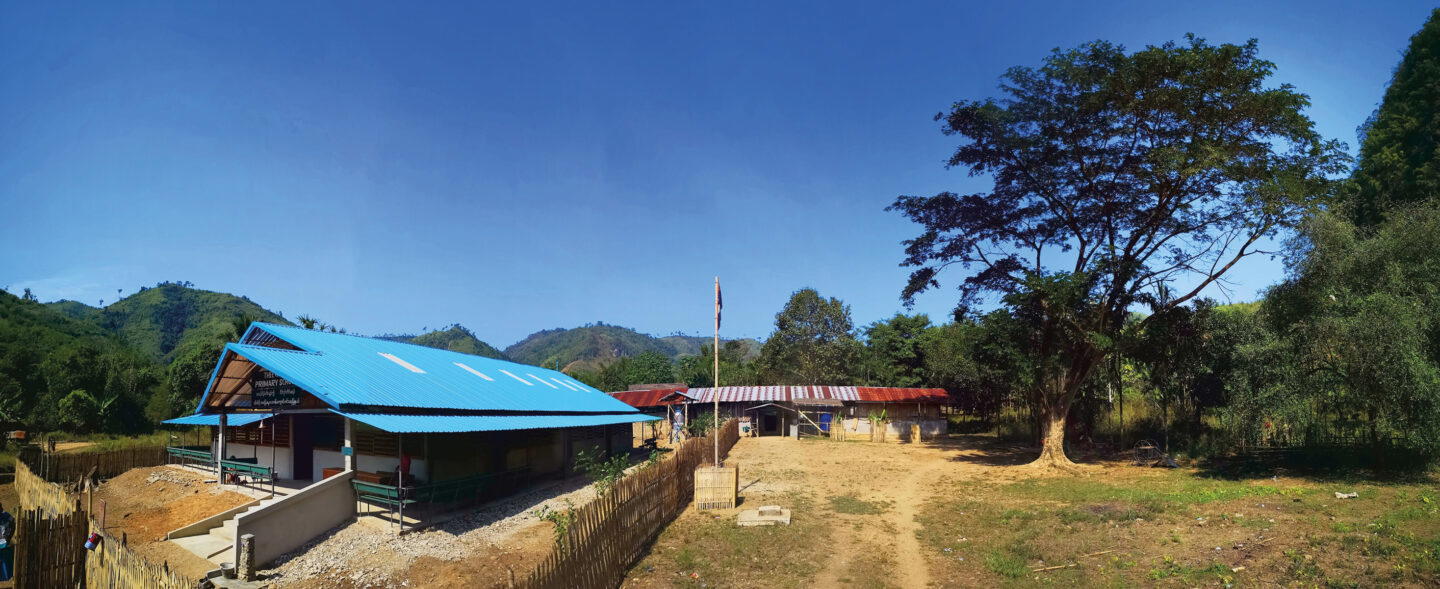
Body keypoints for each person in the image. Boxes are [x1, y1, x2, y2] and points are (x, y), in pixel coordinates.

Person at [0, 502, 14, 582]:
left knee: (6, 563)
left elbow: (13, 524)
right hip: (5, 544)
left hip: (4, 545)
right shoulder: (7, 516)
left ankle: (6, 579)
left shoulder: (6, 516)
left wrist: (8, 537)